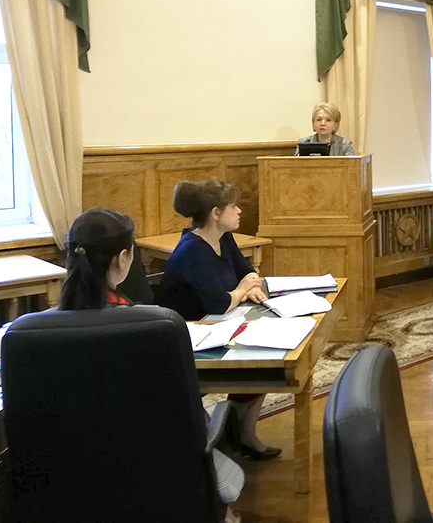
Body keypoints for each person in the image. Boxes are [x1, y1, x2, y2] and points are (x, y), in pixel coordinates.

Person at [60, 208, 245, 508]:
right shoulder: (156, 326)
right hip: (157, 468)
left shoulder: (26, 331)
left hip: (68, 479)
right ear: (123, 259)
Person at [156, 179, 280, 461]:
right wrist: (241, 290)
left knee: (268, 357)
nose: (239, 211)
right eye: (233, 206)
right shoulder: (193, 250)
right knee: (260, 362)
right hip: (189, 342)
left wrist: (250, 285)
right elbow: (219, 303)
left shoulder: (223, 237)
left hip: (216, 327)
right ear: (215, 213)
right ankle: (238, 435)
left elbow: (246, 271)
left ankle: (242, 434)